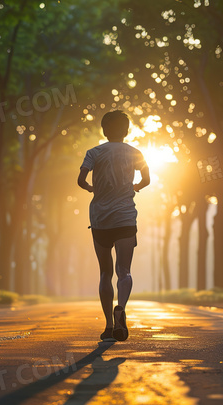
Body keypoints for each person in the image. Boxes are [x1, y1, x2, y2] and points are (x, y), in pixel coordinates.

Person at [77, 110, 150, 342]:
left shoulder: (94, 152)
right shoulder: (136, 152)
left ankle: (109, 325)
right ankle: (122, 308)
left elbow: (80, 180)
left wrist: (91, 189)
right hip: (125, 217)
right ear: (126, 130)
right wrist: (134, 187)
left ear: (104, 130)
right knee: (124, 271)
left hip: (100, 219)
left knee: (105, 272)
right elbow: (147, 180)